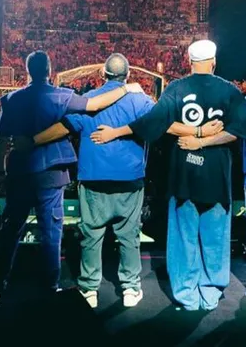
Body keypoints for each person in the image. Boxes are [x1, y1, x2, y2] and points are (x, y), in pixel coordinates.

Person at [91, 40, 246, 312]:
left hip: (184, 175)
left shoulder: (177, 88)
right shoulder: (227, 90)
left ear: (188, 61)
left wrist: (115, 132)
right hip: (217, 176)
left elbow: (156, 122)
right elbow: (245, 126)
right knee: (215, 237)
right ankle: (211, 294)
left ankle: (186, 296)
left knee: (184, 237)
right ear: (214, 61)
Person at [14, 54, 222, 309]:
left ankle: (89, 289)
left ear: (103, 75)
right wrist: (200, 131)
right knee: (129, 236)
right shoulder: (140, 100)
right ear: (128, 75)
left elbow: (64, 126)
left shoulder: (91, 99)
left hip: (93, 180)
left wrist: (32, 141)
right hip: (129, 180)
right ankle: (131, 288)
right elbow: (168, 125)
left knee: (91, 236)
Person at [0, 50, 143, 302]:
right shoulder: (61, 96)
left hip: (20, 173)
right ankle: (50, 287)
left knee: (10, 230)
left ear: (27, 70)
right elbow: (95, 104)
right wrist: (125, 88)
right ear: (49, 69)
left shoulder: (11, 99)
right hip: (52, 174)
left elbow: (1, 141)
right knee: (51, 233)